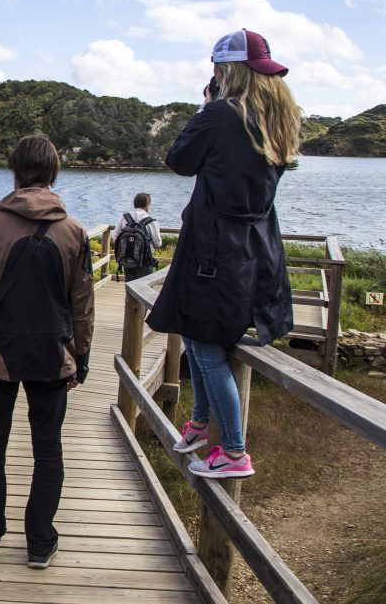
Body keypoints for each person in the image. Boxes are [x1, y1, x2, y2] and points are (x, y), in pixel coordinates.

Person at [147, 28, 301, 479]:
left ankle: (233, 451)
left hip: (213, 251)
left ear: (225, 71)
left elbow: (179, 160)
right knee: (197, 333)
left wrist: (207, 107)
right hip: (254, 251)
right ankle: (198, 423)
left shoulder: (221, 116)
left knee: (205, 344)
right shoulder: (279, 120)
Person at [0, 134, 95, 569]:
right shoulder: (74, 232)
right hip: (52, 356)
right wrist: (81, 357)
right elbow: (83, 305)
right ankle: (39, 542)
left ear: (14, 171)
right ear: (53, 174)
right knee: (48, 449)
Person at [112, 192, 162, 281]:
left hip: (127, 259)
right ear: (147, 205)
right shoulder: (150, 221)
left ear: (135, 203)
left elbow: (115, 239)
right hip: (145, 261)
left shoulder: (125, 217)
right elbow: (157, 243)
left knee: (130, 287)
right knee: (144, 288)